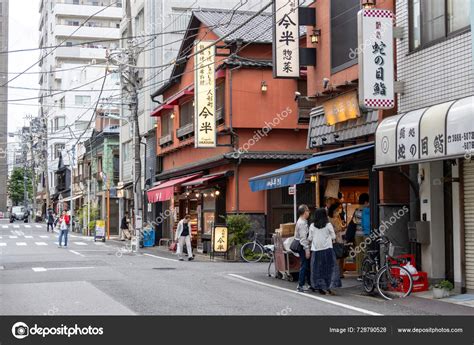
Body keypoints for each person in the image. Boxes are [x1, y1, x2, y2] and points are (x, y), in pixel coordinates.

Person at [308, 208, 342, 295]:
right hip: (327, 250)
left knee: (317, 270)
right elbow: (333, 237)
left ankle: (320, 287)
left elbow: (310, 238)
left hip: (316, 250)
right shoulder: (328, 225)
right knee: (329, 269)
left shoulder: (312, 226)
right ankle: (329, 287)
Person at [294, 204, 312, 292]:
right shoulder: (302, 223)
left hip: (302, 246)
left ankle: (309, 283)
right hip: (303, 247)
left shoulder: (302, 221)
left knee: (306, 265)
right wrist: (307, 249)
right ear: (304, 212)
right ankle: (300, 285)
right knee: (304, 265)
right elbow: (303, 238)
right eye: (308, 211)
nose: (309, 212)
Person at [352, 193, 370, 280]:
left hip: (357, 234)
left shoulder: (356, 210)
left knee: (359, 254)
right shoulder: (367, 210)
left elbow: (355, 222)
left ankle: (360, 274)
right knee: (366, 252)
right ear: (366, 201)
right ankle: (367, 272)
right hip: (366, 234)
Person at [328, 202, 346, 279]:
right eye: (337, 210)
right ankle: (337, 273)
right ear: (333, 210)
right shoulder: (330, 219)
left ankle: (340, 273)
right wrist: (341, 228)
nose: (338, 211)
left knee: (341, 256)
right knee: (337, 256)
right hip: (335, 239)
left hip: (339, 238)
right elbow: (333, 229)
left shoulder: (337, 217)